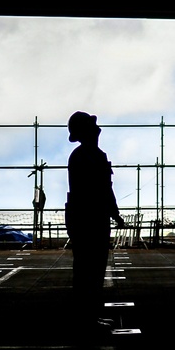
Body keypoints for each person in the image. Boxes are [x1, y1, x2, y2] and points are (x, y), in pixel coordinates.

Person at [65, 111, 125, 330]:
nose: (98, 129)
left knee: (90, 270)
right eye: (93, 126)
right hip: (90, 220)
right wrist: (113, 212)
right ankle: (86, 318)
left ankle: (88, 316)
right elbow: (101, 190)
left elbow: (104, 190)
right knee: (89, 270)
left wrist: (113, 213)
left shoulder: (88, 155)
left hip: (88, 219)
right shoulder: (88, 157)